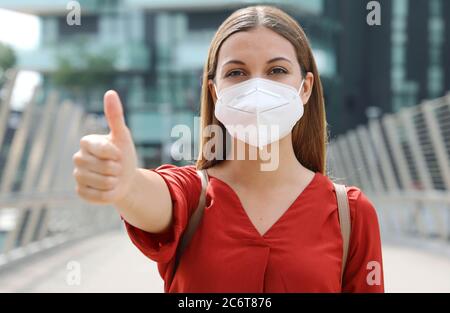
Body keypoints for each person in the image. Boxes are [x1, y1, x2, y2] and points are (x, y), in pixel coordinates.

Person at [72, 5, 384, 293]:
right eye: (237, 73)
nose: (257, 87)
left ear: (305, 87)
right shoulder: (192, 196)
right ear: (215, 91)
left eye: (277, 71)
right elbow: (154, 196)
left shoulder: (352, 215)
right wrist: (125, 184)